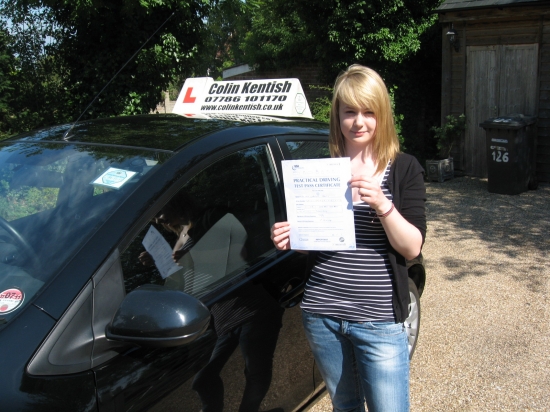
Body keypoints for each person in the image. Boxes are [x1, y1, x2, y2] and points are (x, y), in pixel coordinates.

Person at [270, 64, 426, 412]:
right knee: (346, 406)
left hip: (380, 320)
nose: (359, 122)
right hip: (322, 313)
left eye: (369, 112)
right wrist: (292, 235)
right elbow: (318, 239)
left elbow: (412, 246)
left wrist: (384, 204)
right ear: (337, 115)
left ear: (382, 115)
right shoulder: (321, 171)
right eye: (350, 111)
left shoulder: (404, 168)